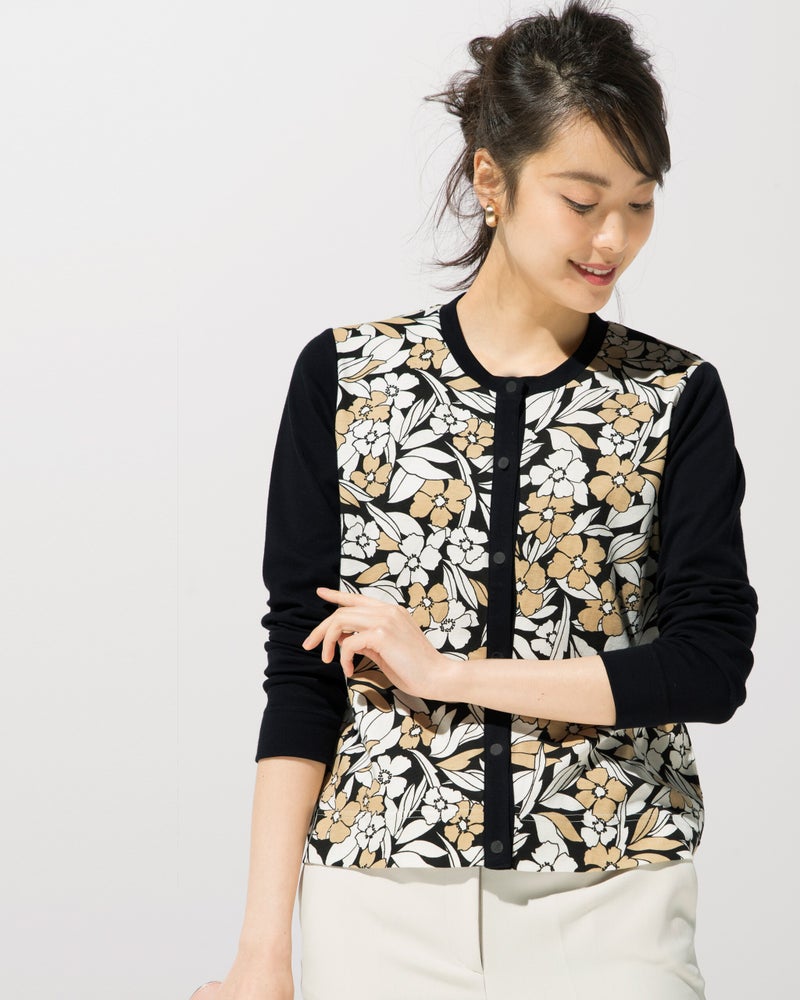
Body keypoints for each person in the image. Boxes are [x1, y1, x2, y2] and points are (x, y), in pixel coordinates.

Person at [193, 1, 758, 997]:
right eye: (581, 200)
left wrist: (447, 672)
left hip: (613, 895)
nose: (614, 237)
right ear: (491, 180)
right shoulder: (348, 379)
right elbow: (301, 675)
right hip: (379, 900)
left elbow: (707, 667)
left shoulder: (672, 396)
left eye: (639, 202)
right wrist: (261, 950)